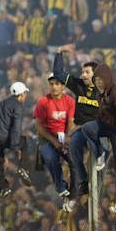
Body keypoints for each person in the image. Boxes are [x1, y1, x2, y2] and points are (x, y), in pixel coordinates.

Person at [68, 62, 116, 213]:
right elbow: (101, 113)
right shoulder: (102, 92)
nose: (98, 83)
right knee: (88, 128)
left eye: (101, 80)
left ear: (107, 79)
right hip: (108, 126)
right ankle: (101, 153)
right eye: (97, 80)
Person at [32, 75, 76, 204]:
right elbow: (38, 126)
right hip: (46, 138)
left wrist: (67, 138)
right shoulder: (43, 102)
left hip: (65, 136)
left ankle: (74, 188)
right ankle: (60, 186)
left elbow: (71, 122)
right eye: (51, 84)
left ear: (63, 86)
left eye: (57, 84)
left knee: (74, 160)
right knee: (51, 159)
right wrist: (54, 141)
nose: (54, 87)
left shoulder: (70, 101)